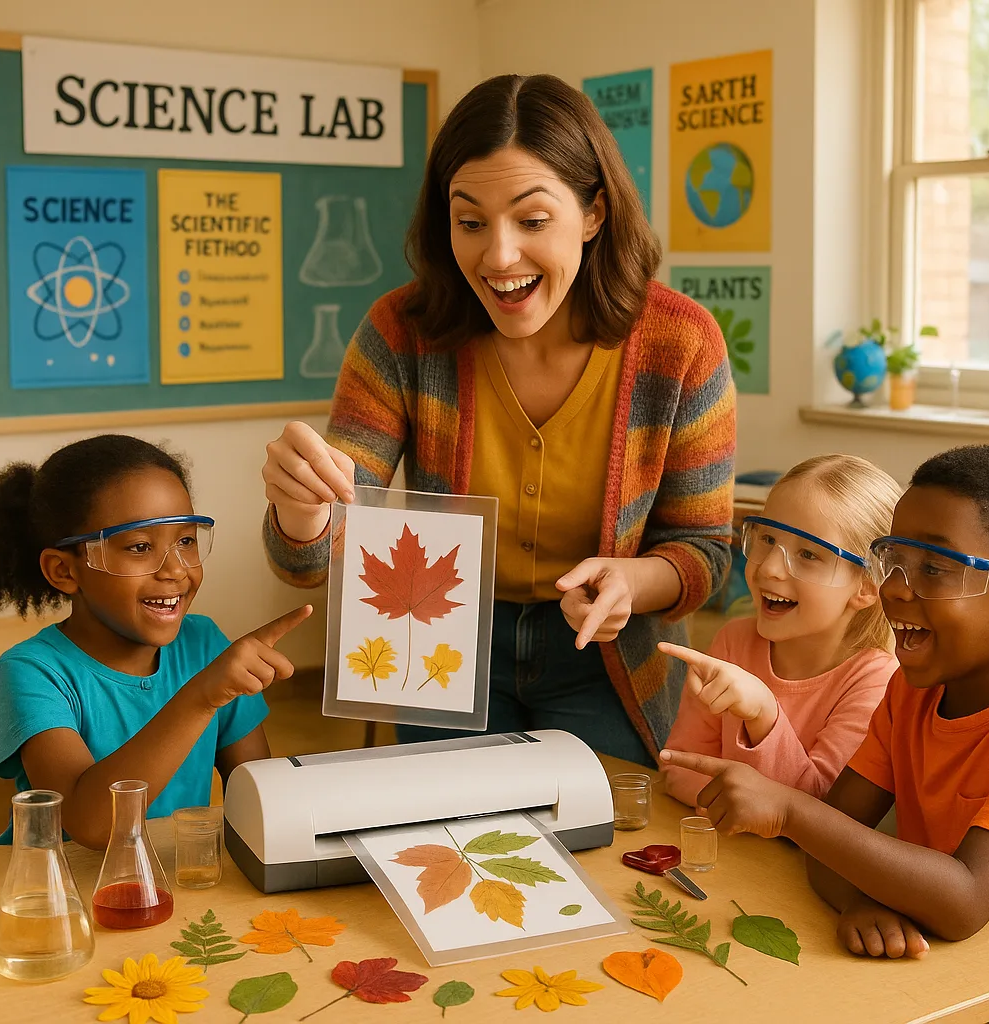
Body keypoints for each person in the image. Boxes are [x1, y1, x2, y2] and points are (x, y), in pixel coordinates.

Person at [260, 74, 735, 763]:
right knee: (444, 840)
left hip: (603, 655)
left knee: (594, 846)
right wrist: (303, 513)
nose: (498, 255)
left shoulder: (681, 343)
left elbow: (706, 553)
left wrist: (633, 582)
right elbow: (309, 556)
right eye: (470, 221)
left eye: (532, 220)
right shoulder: (401, 333)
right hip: (439, 640)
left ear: (594, 213)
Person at [661, 444, 989, 959]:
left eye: (936, 568)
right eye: (895, 560)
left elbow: (964, 900)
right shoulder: (911, 696)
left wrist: (789, 811)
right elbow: (831, 842)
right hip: (936, 966)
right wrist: (859, 900)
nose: (895, 587)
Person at [0, 434, 310, 849]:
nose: (176, 570)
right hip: (60, 898)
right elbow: (91, 825)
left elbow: (264, 799)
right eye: (140, 547)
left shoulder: (204, 645)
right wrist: (201, 696)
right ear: (64, 571)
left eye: (186, 541)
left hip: (167, 888)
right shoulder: (31, 672)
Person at [660, 455, 900, 805]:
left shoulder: (876, 681)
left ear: (866, 586)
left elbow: (822, 812)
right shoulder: (733, 642)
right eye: (768, 539)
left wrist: (763, 715)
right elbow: (680, 768)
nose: (769, 568)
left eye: (808, 554)